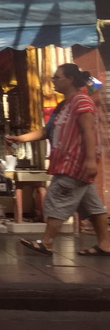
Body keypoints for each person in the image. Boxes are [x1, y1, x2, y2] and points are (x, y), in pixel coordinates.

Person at [8, 63, 110, 257]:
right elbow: (47, 131)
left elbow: (88, 131)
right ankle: (105, 244)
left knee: (57, 199)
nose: (53, 81)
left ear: (70, 79)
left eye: (57, 77)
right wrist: (20, 139)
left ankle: (46, 242)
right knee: (93, 206)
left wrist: (90, 160)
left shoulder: (81, 101)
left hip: (74, 164)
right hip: (68, 163)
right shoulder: (64, 105)